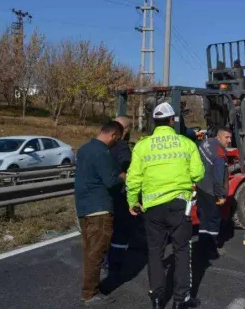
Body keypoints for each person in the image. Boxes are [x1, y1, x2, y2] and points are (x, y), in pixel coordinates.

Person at [126, 102, 205, 309]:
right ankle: (181, 299)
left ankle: (157, 298)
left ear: (154, 122)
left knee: (155, 253)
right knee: (181, 251)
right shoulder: (186, 144)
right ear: (172, 121)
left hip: (152, 208)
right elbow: (198, 174)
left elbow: (133, 178)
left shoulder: (142, 146)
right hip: (179, 206)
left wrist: (133, 201)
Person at [74, 120, 126, 306]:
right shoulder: (103, 153)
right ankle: (90, 294)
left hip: (84, 207)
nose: (116, 142)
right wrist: (122, 177)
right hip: (100, 208)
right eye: (117, 139)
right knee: (97, 253)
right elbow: (111, 181)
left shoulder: (84, 149)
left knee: (89, 251)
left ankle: (90, 288)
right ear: (113, 135)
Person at [106, 116, 136, 275]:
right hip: (120, 194)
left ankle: (106, 259)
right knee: (121, 229)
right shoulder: (123, 148)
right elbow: (128, 171)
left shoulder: (101, 146)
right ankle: (115, 264)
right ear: (125, 132)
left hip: (103, 195)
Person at [197, 127, 232, 258]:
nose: (229, 140)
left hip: (201, 186)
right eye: (226, 137)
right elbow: (218, 180)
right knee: (214, 220)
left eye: (230, 138)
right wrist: (221, 196)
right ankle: (211, 249)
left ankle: (202, 245)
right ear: (219, 137)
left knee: (204, 219)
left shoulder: (206, 143)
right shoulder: (220, 155)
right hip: (212, 192)